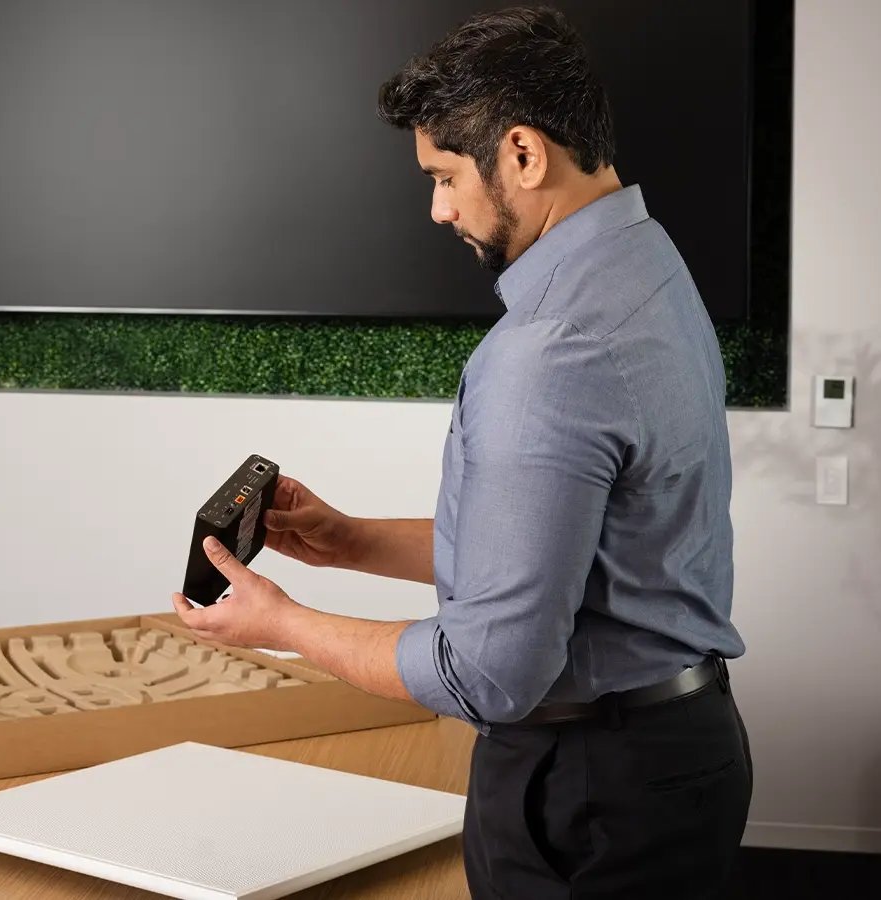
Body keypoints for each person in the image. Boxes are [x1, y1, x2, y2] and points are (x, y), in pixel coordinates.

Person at [171, 6, 752, 898]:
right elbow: (558, 556)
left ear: (521, 154)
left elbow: (487, 673)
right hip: (673, 758)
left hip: (589, 792)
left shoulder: (551, 351)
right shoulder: (651, 268)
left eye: (445, 175)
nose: (438, 208)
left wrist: (279, 626)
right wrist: (352, 540)